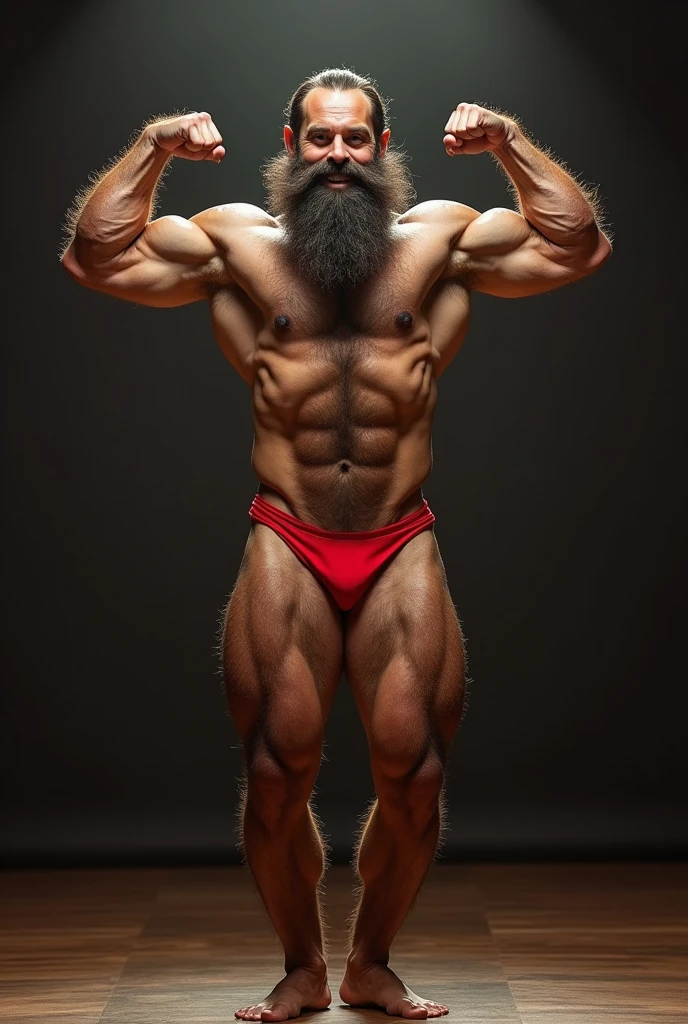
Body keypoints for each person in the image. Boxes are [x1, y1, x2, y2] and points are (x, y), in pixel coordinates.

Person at [61, 68, 611, 1021]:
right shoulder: (237, 242)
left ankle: (371, 965)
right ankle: (302, 968)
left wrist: (510, 144)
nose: (339, 159)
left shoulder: (437, 237)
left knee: (416, 773)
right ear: (290, 143)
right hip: (289, 534)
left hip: (399, 539)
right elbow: (97, 255)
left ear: (383, 148)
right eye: (320, 140)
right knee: (276, 775)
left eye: (356, 141)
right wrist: (155, 147)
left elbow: (577, 243)